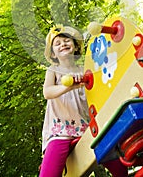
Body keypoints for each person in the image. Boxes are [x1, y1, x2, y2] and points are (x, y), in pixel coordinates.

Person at [39, 25, 128, 177]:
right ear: (53, 53)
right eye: (58, 43)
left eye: (67, 41)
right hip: (59, 130)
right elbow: (47, 92)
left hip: (87, 128)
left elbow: (98, 92)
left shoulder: (85, 70)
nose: (63, 44)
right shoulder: (53, 70)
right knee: (49, 173)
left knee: (118, 165)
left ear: (75, 46)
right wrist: (69, 86)